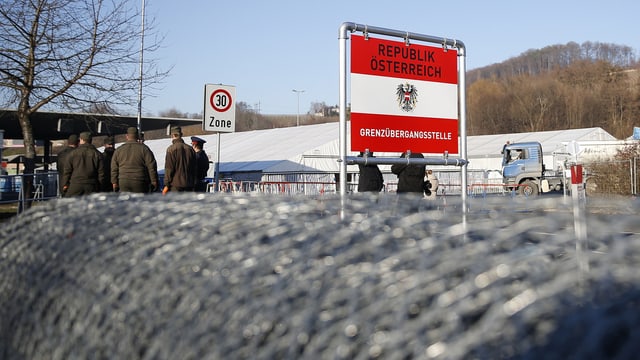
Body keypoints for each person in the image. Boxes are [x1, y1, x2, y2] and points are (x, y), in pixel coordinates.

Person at [111, 127, 159, 193]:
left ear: (127, 136)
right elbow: (151, 166)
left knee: (125, 201)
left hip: (123, 180)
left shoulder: (119, 150)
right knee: (138, 202)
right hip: (139, 180)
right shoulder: (144, 149)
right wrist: (154, 181)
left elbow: (114, 168)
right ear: (137, 136)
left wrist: (114, 182)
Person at [61, 132, 104, 197]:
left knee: (69, 203)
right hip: (91, 185)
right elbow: (101, 173)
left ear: (81, 140)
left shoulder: (73, 153)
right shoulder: (97, 154)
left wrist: (65, 184)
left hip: (75, 184)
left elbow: (67, 171)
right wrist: (99, 186)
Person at [163, 126, 196, 194]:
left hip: (175, 185)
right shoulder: (190, 149)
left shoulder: (171, 149)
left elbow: (169, 168)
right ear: (181, 135)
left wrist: (166, 184)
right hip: (189, 184)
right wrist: (193, 183)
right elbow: (195, 168)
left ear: (173, 135)